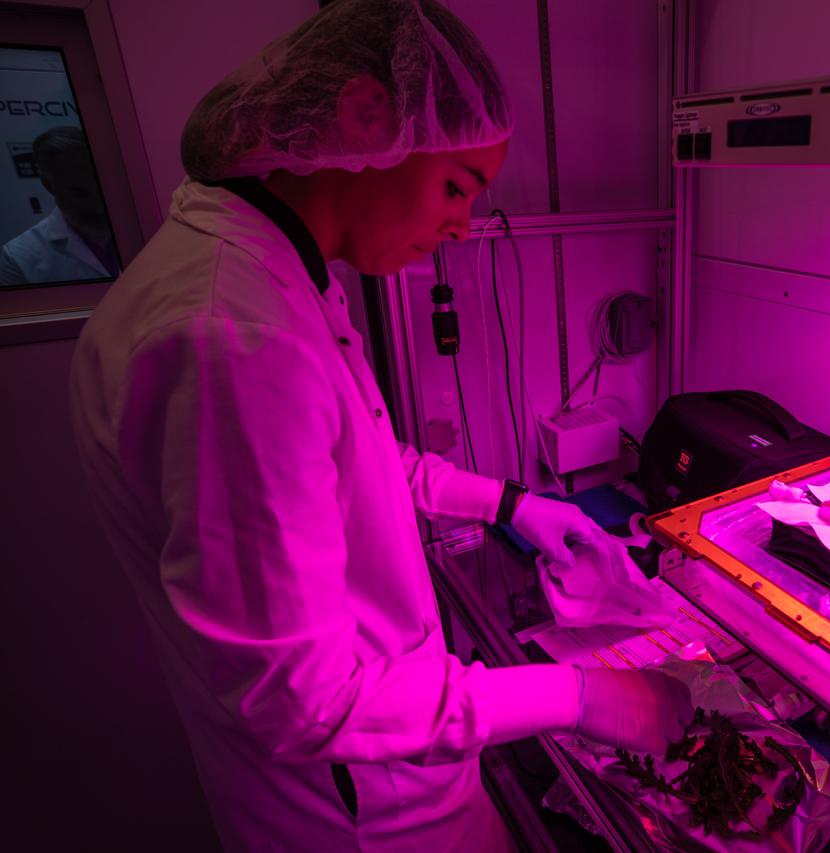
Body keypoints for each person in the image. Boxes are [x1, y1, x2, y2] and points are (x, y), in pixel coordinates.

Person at [68, 2, 691, 850]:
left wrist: (508, 505)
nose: (461, 226)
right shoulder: (233, 337)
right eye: (455, 185)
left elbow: (362, 457)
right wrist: (576, 695)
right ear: (364, 125)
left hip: (393, 774)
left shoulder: (272, 271)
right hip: (360, 813)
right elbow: (304, 701)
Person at [0, 125, 120, 286]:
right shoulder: (18, 257)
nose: (98, 203)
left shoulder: (145, 225)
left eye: (101, 188)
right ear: (48, 185)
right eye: (80, 193)